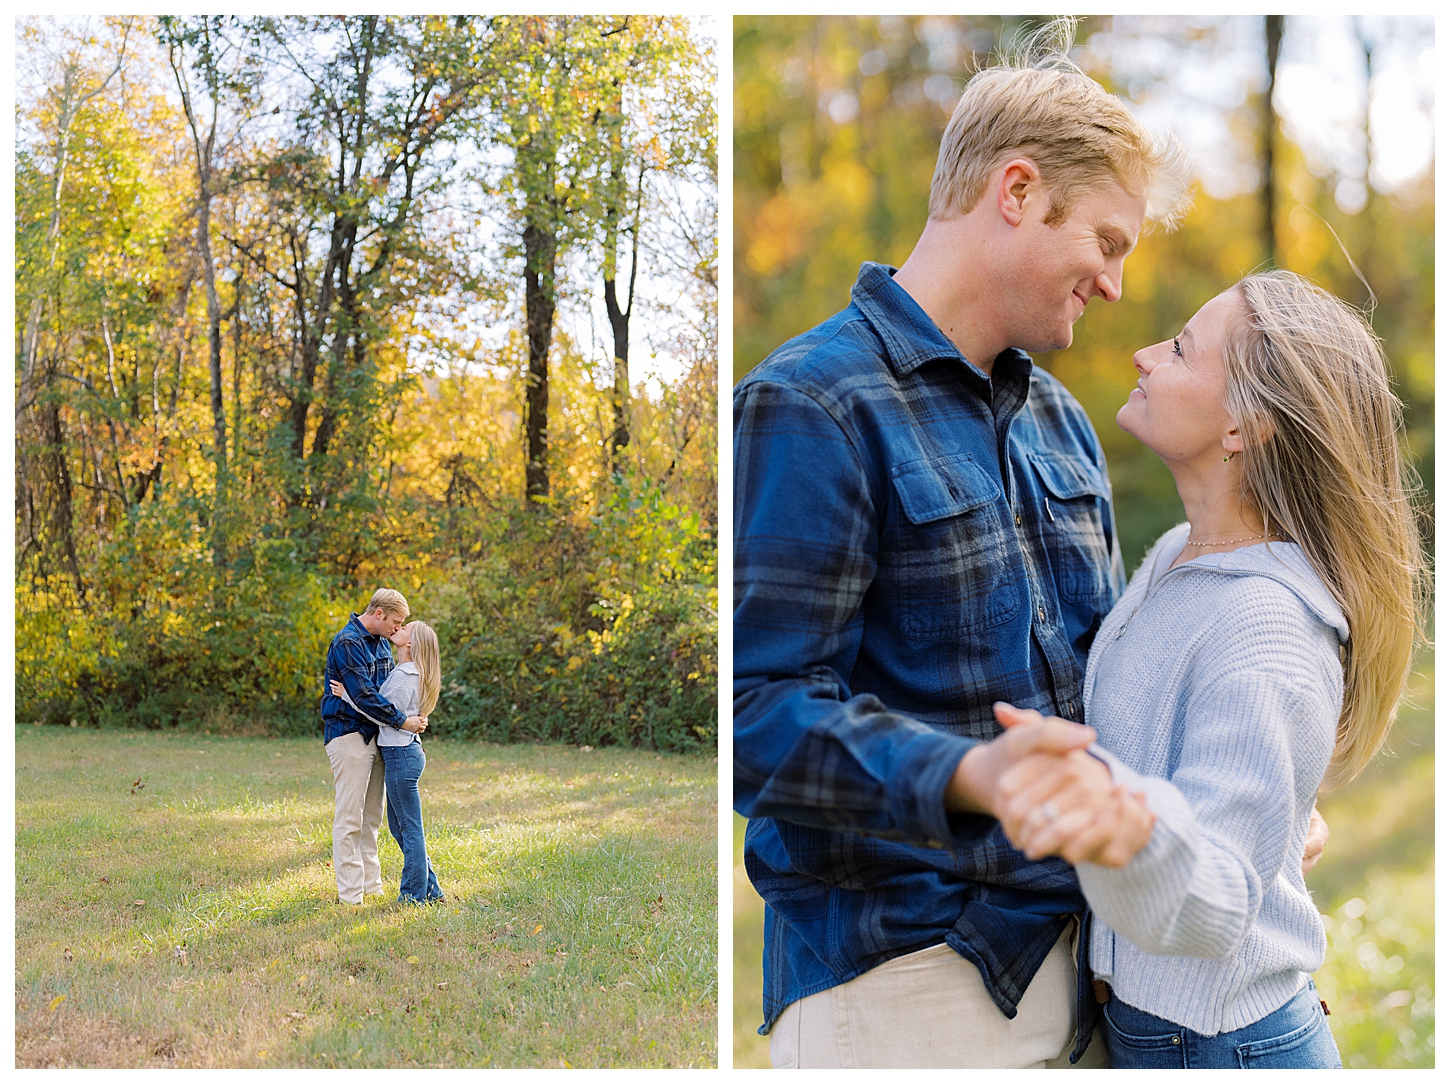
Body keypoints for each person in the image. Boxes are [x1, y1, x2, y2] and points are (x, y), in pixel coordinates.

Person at [733, 23, 1195, 1069]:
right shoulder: (812, 401)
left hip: (1088, 969)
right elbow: (752, 712)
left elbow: (1103, 691)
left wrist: (1235, 795)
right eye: (1108, 243)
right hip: (906, 985)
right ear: (1018, 190)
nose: (1116, 285)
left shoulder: (1063, 425)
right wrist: (969, 774)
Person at [976, 271, 1423, 1068]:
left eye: (1181, 350)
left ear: (1244, 425)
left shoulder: (1268, 624)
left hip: (1223, 1048)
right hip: (1160, 1035)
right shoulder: (1179, 559)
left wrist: (1116, 822)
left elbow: (1215, 900)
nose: (1146, 355)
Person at [322, 588, 428, 905]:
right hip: (350, 733)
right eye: (396, 622)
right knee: (350, 817)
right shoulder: (348, 643)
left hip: (380, 735)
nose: (398, 629)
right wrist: (403, 721)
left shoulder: (382, 642)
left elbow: (384, 692)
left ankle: (372, 885)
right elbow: (367, 697)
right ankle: (351, 896)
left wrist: (406, 717)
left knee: (372, 818)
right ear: (379, 614)